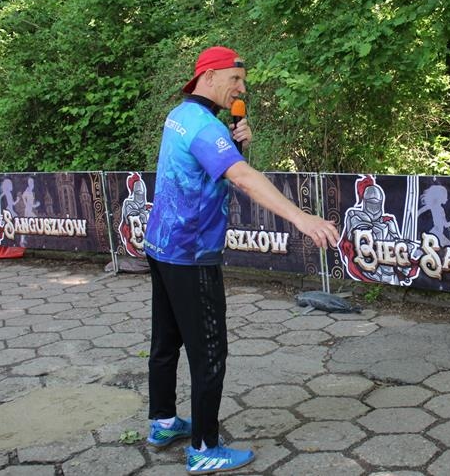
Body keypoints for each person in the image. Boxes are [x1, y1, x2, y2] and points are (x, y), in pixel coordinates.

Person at [143, 46, 339, 475]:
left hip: (162, 246)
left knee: (166, 341)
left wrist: (233, 145)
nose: (241, 88)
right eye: (235, 79)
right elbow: (244, 179)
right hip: (192, 254)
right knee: (209, 352)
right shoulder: (203, 125)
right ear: (209, 76)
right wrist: (301, 218)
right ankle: (204, 448)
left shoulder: (181, 115)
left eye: (243, 81)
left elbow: (207, 171)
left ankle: (163, 422)